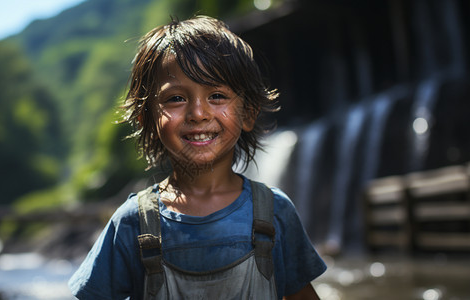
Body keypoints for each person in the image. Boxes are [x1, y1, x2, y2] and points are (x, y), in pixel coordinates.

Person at [69, 15, 326, 299]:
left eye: (216, 95)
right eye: (176, 98)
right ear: (147, 120)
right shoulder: (133, 223)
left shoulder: (275, 212)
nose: (198, 113)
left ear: (249, 113)